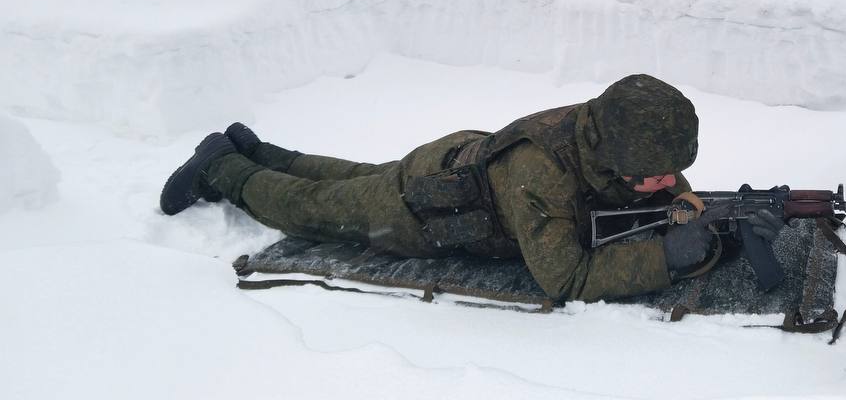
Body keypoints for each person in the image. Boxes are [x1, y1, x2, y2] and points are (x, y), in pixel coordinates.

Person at [159, 74, 783, 303]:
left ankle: (258, 150)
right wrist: (663, 259)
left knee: (353, 176)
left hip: (462, 161)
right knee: (313, 209)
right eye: (658, 173)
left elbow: (664, 196)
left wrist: (711, 221)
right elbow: (563, 279)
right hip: (422, 209)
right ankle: (223, 168)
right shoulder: (544, 175)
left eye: (673, 170)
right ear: (620, 155)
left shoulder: (614, 134)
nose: (670, 183)